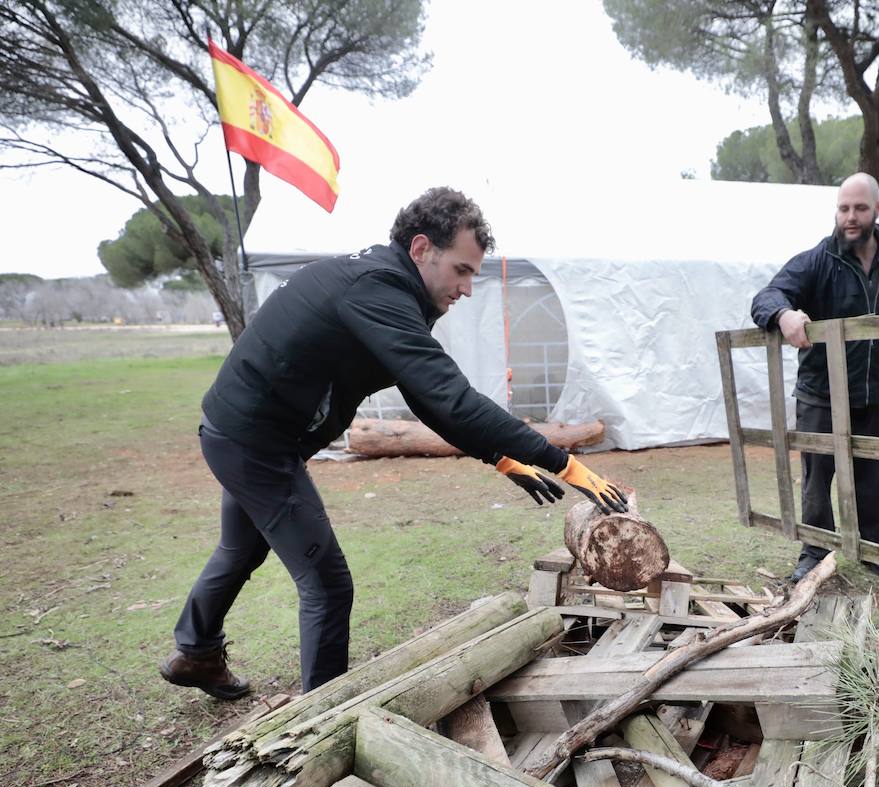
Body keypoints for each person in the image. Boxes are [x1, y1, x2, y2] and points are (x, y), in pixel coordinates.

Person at [160, 187, 627, 700]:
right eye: (462, 270)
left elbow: (427, 399)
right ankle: (322, 721)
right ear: (422, 248)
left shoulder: (394, 292)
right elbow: (450, 398)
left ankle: (196, 653)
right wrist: (563, 462)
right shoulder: (375, 290)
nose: (468, 288)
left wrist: (500, 456)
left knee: (240, 549)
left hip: (241, 433)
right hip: (255, 444)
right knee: (328, 584)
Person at [750, 173, 879, 583]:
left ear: (877, 209)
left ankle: (875, 549)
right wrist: (784, 314)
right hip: (822, 394)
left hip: (876, 393)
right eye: (843, 208)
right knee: (818, 478)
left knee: (873, 476)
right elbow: (767, 296)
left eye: (859, 208)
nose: (850, 217)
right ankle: (815, 551)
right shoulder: (819, 260)